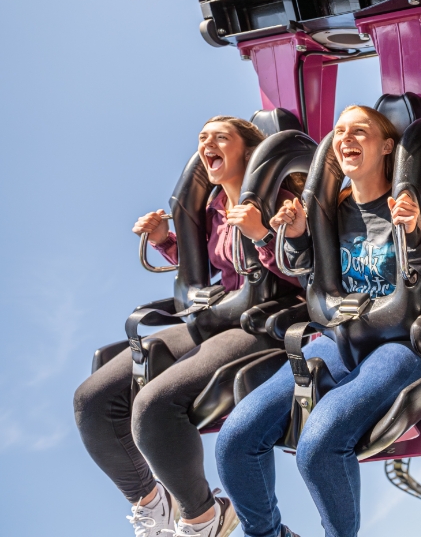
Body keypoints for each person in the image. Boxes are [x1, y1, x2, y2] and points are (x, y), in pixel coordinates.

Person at [214, 105, 421, 537]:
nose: (347, 138)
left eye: (360, 131)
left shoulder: (420, 203)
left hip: (400, 344)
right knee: (235, 440)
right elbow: (304, 269)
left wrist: (417, 236)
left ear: (386, 146)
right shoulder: (331, 210)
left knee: (319, 446)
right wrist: (290, 235)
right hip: (337, 338)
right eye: (340, 131)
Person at [74, 116, 301, 537]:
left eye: (219, 137)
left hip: (262, 322)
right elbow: (208, 263)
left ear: (248, 151)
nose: (205, 144)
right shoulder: (213, 206)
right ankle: (152, 503)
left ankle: (204, 517)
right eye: (201, 138)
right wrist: (164, 239)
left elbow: (308, 271)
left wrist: (261, 236)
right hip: (214, 316)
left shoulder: (280, 200)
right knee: (93, 401)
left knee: (154, 407)